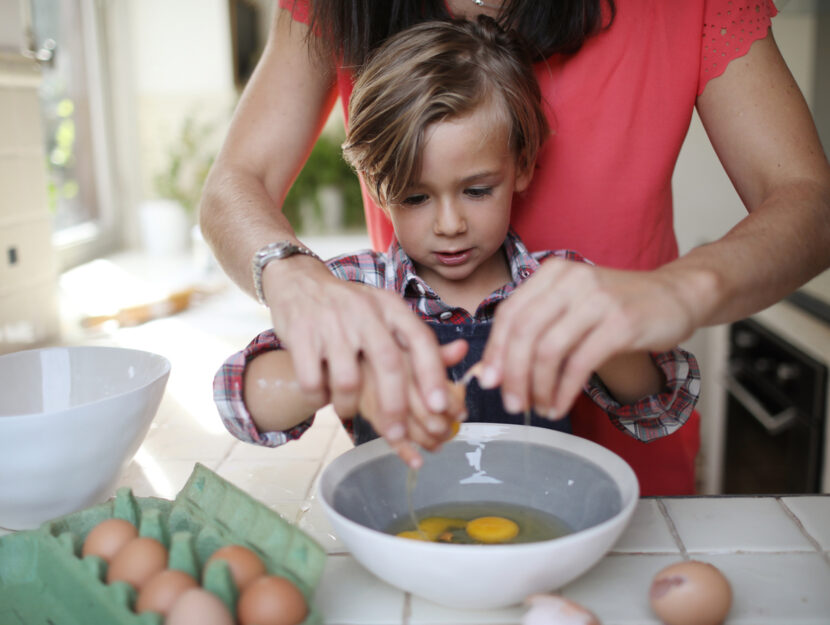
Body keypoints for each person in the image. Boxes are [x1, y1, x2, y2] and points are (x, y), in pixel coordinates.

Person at [199, 0, 830, 494]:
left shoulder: (557, 280)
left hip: (595, 511)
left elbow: (653, 398)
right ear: (378, 180)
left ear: (521, 167)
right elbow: (244, 399)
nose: (448, 224)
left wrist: (653, 309)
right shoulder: (363, 287)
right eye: (416, 198)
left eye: (476, 189)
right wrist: (314, 332)